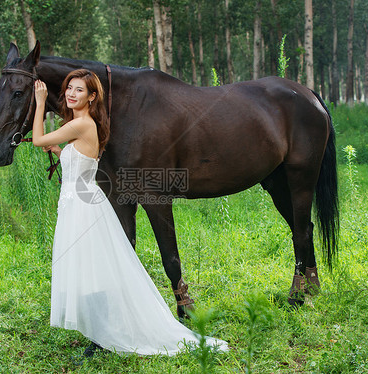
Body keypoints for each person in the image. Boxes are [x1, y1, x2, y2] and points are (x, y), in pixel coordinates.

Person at [31, 69, 228, 356]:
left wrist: (39, 102)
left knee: (93, 270)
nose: (71, 94)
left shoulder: (82, 124)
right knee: (89, 269)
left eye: (79, 90)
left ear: (92, 96)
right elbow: (79, 163)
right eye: (69, 89)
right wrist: (62, 153)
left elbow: (36, 139)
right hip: (76, 204)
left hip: (83, 208)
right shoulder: (83, 125)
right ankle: (100, 330)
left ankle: (103, 335)